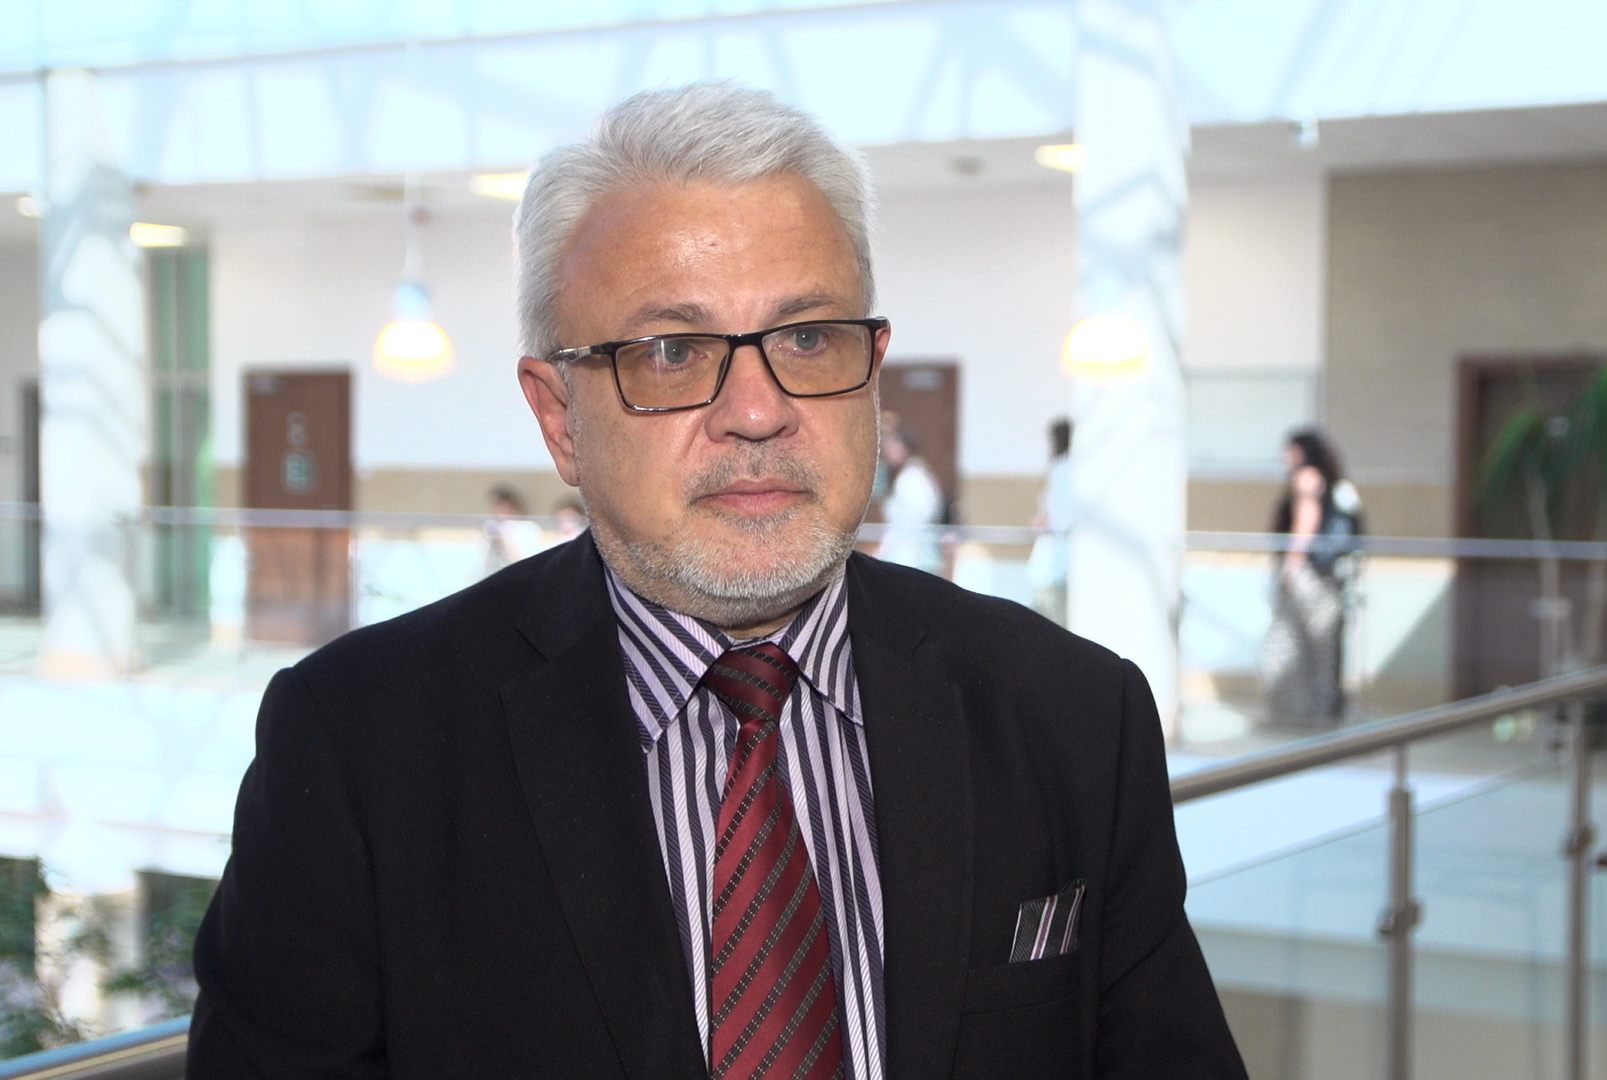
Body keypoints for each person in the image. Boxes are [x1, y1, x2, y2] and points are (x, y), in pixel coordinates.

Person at [189, 83, 1246, 1080]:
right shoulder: (361, 748)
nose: (756, 410)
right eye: (671, 352)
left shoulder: (1071, 715)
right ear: (559, 417)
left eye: (808, 338)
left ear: (871, 372)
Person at [1260, 428, 1363, 728]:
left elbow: (1305, 522)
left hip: (1307, 576)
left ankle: (1304, 712)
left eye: (1289, 450)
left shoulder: (1306, 478)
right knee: (1318, 648)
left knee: (1293, 645)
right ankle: (1316, 711)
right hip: (1324, 578)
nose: (1284, 456)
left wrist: (1290, 567)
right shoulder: (1331, 482)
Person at [872, 415, 944, 575]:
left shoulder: (913, 479)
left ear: (903, 447)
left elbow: (913, 522)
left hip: (913, 556)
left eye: (892, 443)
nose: (887, 449)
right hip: (903, 554)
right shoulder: (903, 476)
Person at [1026, 417, 1074, 625]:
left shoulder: (1062, 471)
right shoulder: (1067, 470)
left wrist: (1044, 521)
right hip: (1055, 563)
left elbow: (1058, 517)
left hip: (1055, 564)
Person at [482, 483, 546, 571]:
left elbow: (525, 560)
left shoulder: (527, 528)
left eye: (502, 505)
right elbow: (485, 562)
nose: (499, 510)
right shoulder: (490, 526)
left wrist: (504, 538)